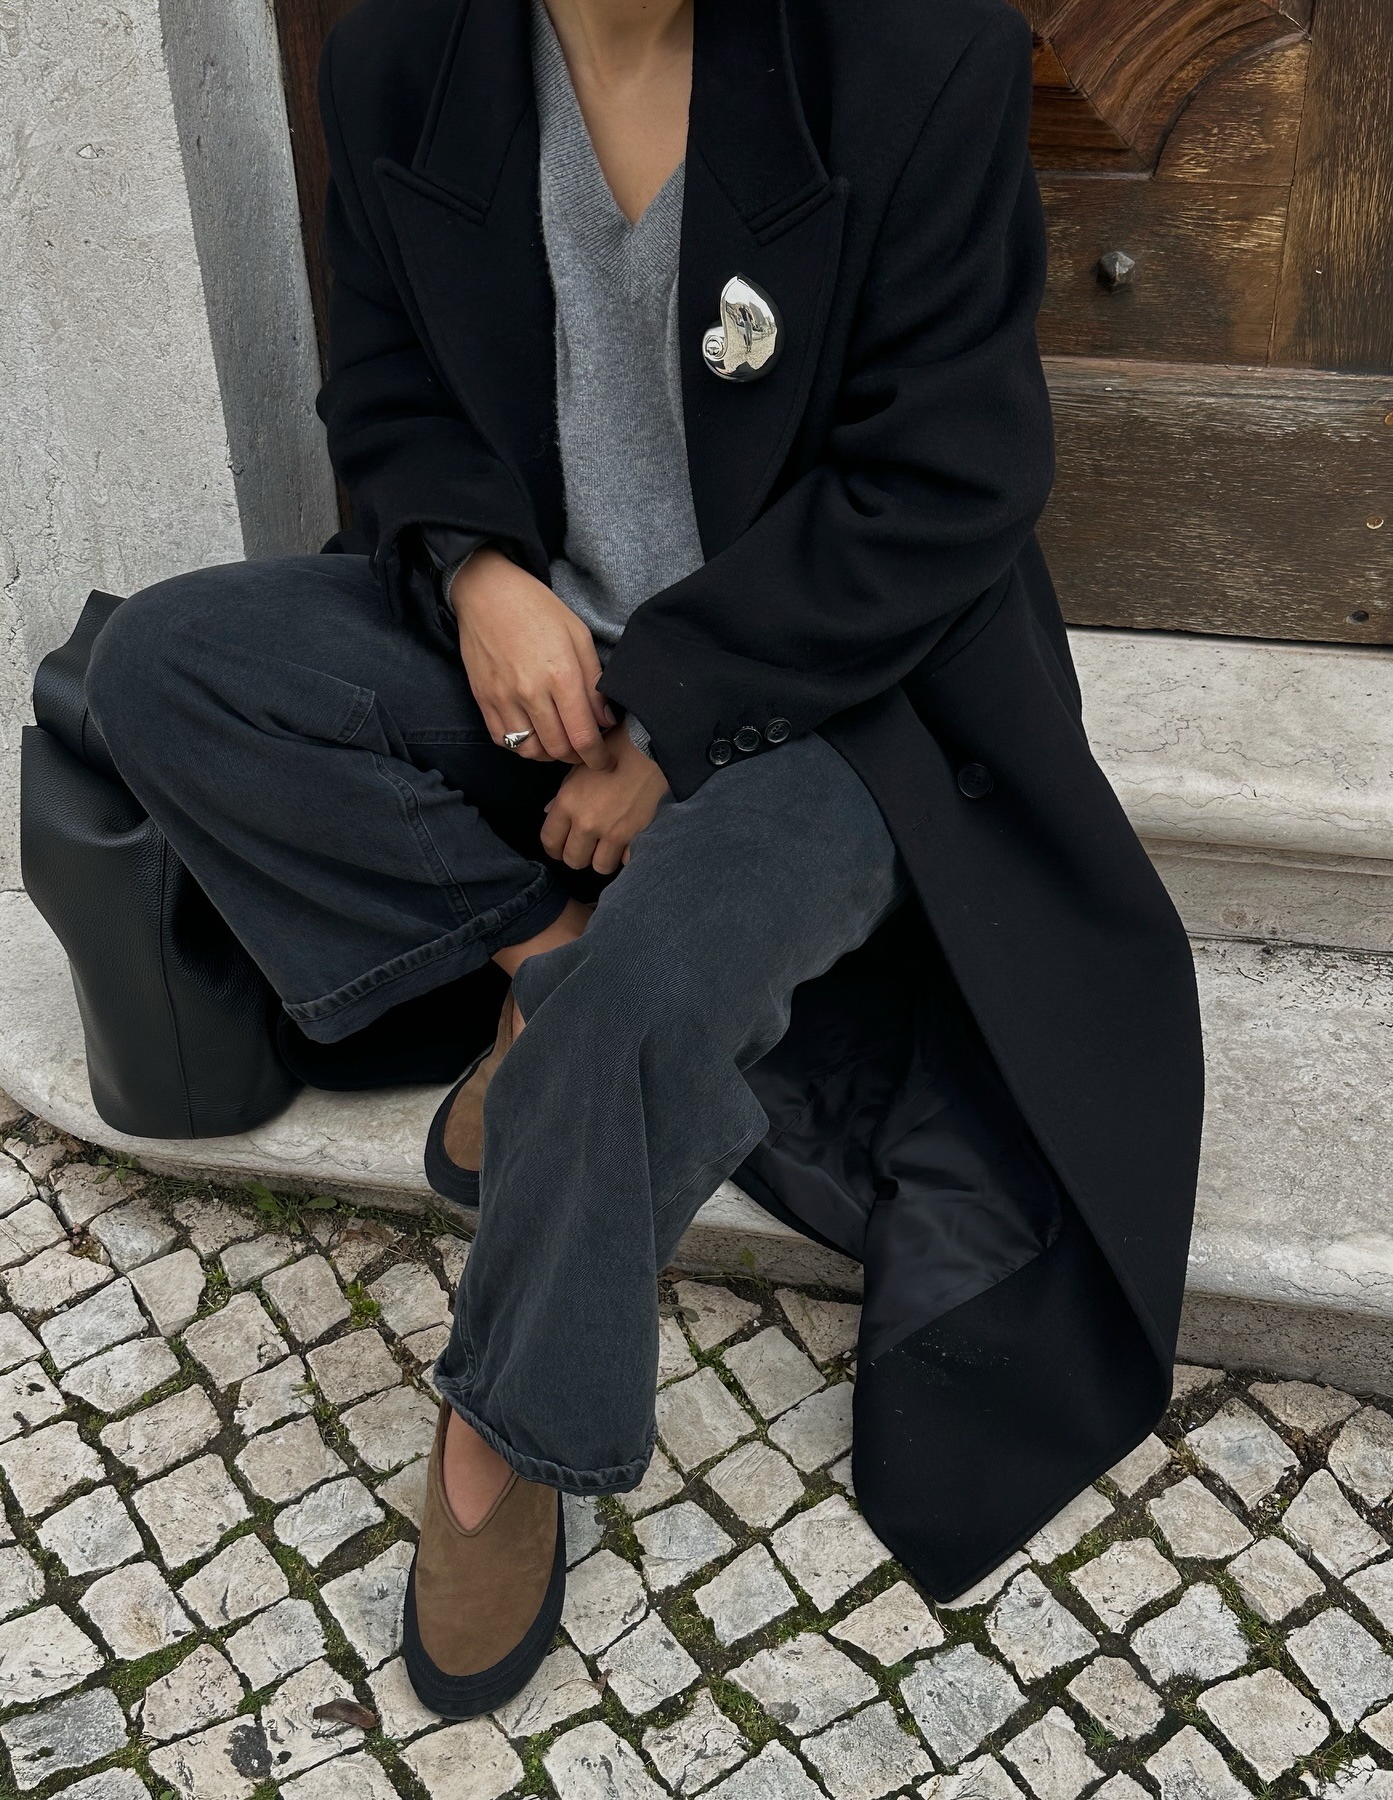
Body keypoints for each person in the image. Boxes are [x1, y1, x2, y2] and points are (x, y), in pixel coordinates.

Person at [84, 0, 1203, 1721]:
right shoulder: (402, 56)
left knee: (648, 1001)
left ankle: (505, 1435)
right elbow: (382, 388)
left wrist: (674, 719)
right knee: (167, 674)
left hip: (841, 700)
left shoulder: (913, 53)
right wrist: (472, 571)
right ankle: (534, 942)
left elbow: (949, 474)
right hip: (539, 663)